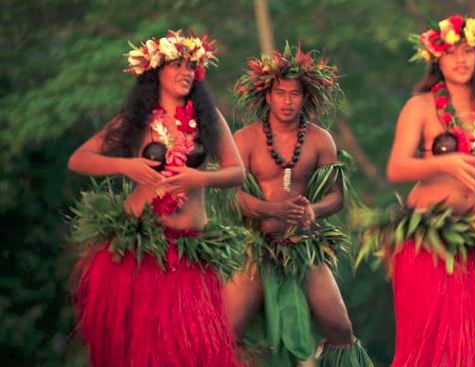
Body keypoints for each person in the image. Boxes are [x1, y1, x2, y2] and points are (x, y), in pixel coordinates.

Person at [357, 14, 475, 366]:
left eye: (468, 51)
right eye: (452, 52)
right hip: (429, 236)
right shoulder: (421, 106)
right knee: (436, 342)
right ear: (437, 58)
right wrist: (446, 162)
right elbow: (397, 168)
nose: (461, 59)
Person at [67, 30, 245, 367]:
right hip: (141, 251)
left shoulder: (208, 119)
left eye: (191, 66)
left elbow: (238, 173)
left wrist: (199, 177)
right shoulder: (137, 121)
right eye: (177, 64)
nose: (186, 72)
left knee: (189, 350)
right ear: (156, 73)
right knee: (145, 352)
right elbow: (79, 159)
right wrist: (127, 165)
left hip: (189, 252)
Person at [223, 43, 373, 365]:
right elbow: (230, 196)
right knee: (227, 330)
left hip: (304, 246)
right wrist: (271, 210)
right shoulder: (246, 139)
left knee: (340, 327)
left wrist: (313, 211)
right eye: (281, 93)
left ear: (305, 98)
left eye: (295, 94)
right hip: (256, 247)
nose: (288, 101)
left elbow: (336, 197)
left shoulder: (320, 140)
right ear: (268, 96)